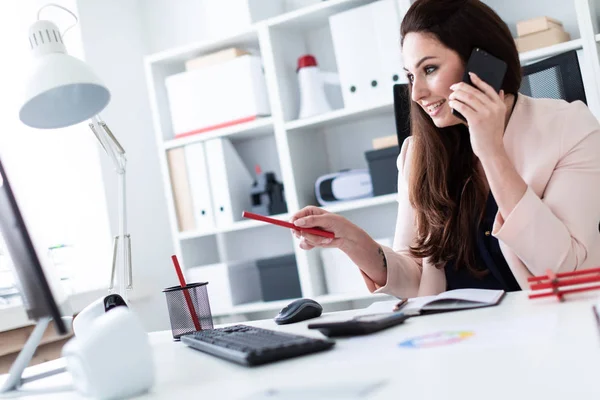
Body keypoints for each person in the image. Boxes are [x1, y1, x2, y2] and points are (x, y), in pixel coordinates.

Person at [289, 0, 600, 298]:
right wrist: (351, 240)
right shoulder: (417, 154)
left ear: (482, 63)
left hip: (550, 332)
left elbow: (566, 273)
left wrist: (491, 151)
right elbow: (416, 278)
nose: (417, 94)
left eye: (430, 69)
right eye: (411, 76)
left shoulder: (570, 127)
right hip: (456, 337)